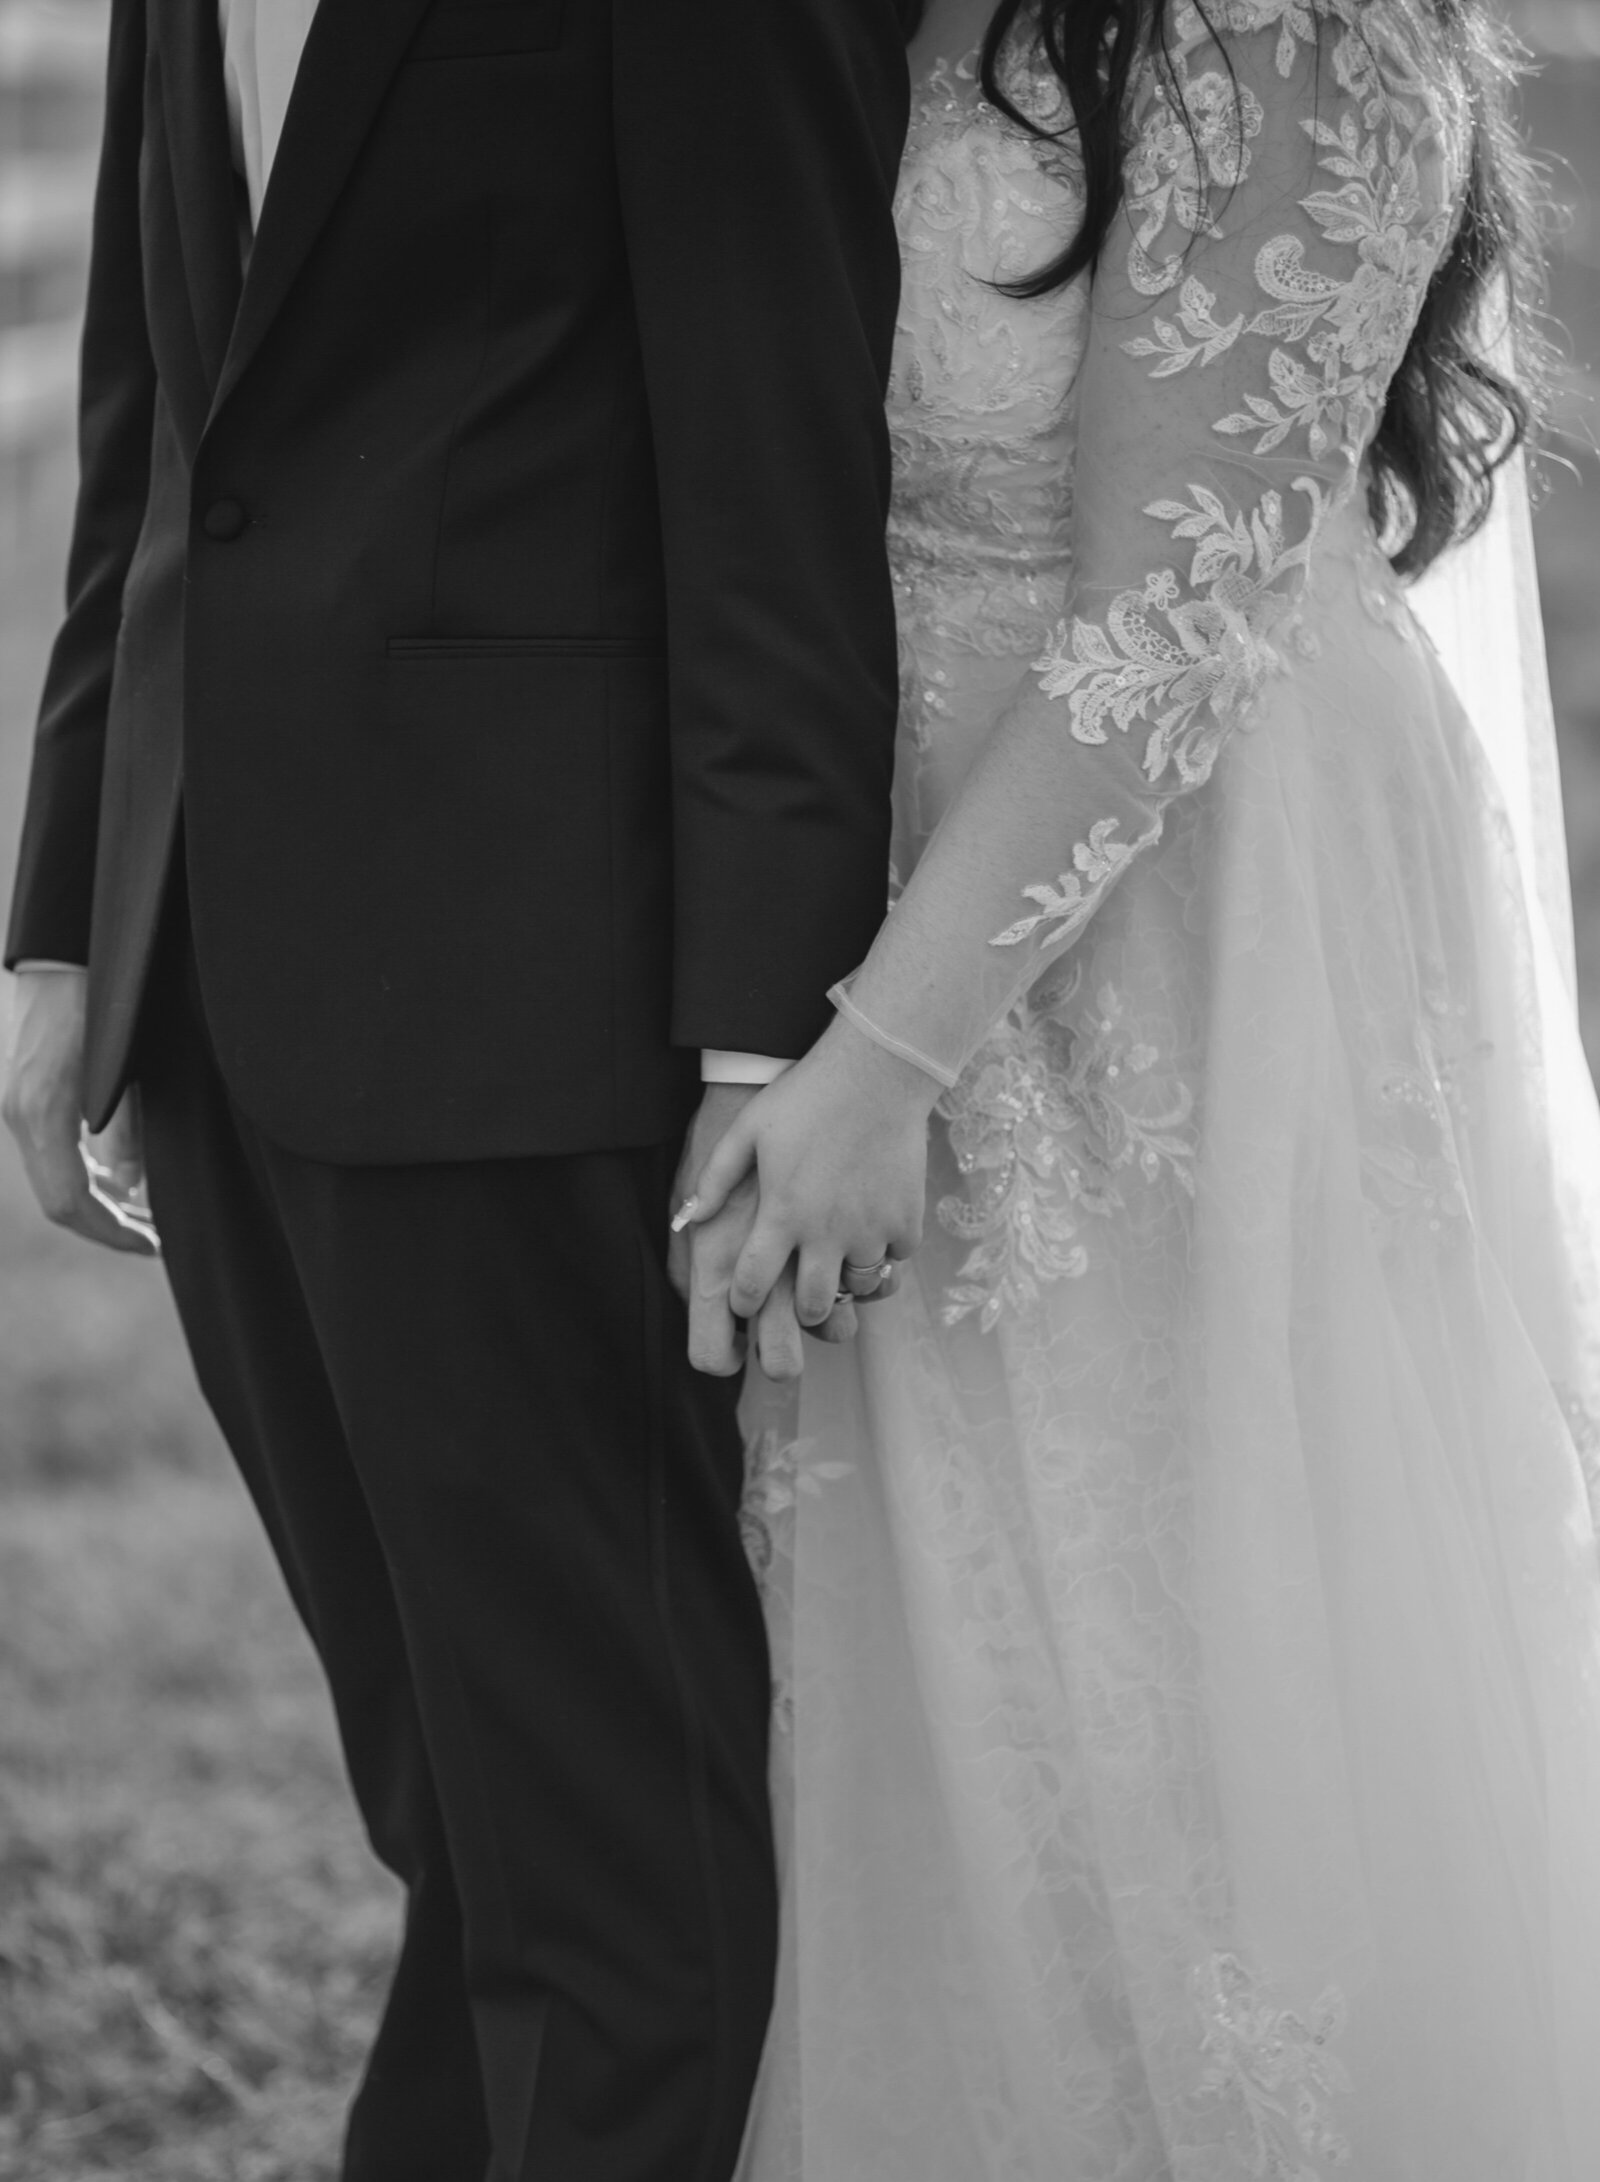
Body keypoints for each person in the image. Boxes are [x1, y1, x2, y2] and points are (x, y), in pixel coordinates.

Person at [676, 0, 1600, 2170]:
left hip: (1180, 907)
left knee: (1194, 1610)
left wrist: (878, 1056)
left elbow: (1178, 606)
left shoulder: (1288, 29)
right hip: (889, 865)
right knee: (957, 1634)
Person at [1, 3, 909, 2177]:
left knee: (605, 1842)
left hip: (534, 989)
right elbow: (157, 402)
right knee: (447, 1801)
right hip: (210, 956)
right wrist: (61, 919)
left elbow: (776, 428)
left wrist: (761, 1029)